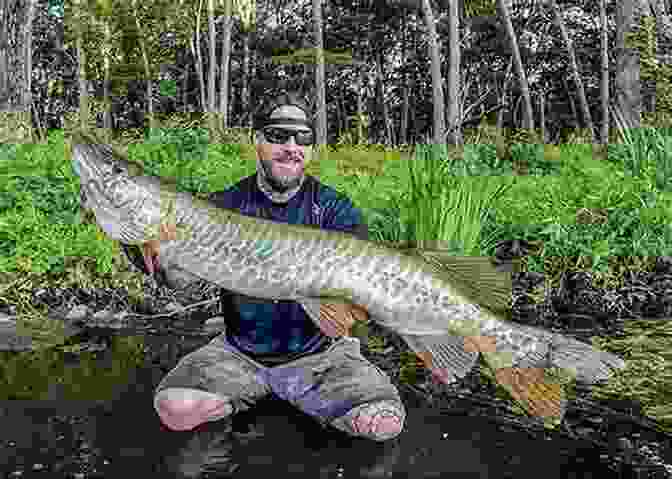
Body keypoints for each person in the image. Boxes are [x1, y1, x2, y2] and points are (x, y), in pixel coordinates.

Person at [144, 91, 406, 443]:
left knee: (383, 423)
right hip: (240, 353)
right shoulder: (226, 205)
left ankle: (284, 395)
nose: (291, 146)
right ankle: (270, 394)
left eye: (303, 137)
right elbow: (182, 284)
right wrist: (165, 258)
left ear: (311, 147)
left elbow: (352, 306)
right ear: (258, 140)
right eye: (278, 135)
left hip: (320, 357)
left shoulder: (335, 210)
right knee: (175, 408)